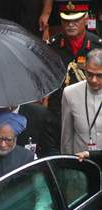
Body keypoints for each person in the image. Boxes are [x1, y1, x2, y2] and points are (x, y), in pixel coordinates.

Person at [41, 0, 102, 156]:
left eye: (76, 19)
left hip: (89, 114)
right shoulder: (52, 46)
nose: (70, 24)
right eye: (66, 20)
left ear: (86, 19)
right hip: (57, 112)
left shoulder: (97, 46)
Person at [61, 48, 102, 154]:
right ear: (84, 69)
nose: (94, 80)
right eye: (89, 74)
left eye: (99, 75)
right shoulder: (70, 93)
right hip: (81, 165)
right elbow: (67, 137)